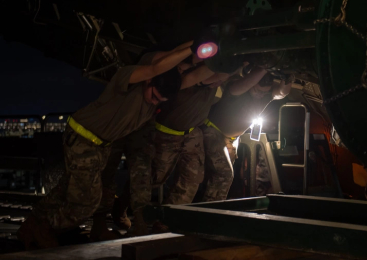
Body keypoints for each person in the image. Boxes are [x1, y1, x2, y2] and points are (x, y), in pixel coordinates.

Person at [17, 41, 201, 249]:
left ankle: (31, 226)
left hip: (98, 145)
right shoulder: (128, 79)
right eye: (154, 96)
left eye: (160, 100)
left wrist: (211, 56)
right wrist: (193, 46)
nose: (154, 102)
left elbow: (193, 77)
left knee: (65, 189)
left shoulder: (157, 93)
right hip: (83, 137)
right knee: (86, 201)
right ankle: (46, 228)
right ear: (148, 80)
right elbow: (157, 66)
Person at [93, 58, 218, 238]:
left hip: (141, 131)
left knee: (143, 178)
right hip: (114, 130)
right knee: (108, 175)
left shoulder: (161, 86)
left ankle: (141, 225)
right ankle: (101, 223)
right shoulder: (134, 76)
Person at [201, 67, 293, 202]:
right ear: (252, 83)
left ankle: (213, 206)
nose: (260, 95)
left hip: (231, 140)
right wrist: (264, 68)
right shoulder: (236, 89)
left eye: (264, 92)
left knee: (220, 176)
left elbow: (281, 93)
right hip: (214, 133)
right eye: (258, 90)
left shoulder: (264, 95)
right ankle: (210, 209)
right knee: (224, 174)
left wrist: (288, 77)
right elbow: (243, 84)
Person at [149, 65, 230, 208]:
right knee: (154, 177)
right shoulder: (186, 79)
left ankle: (168, 221)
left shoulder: (213, 82)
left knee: (190, 181)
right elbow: (214, 75)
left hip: (192, 133)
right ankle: (125, 206)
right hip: (167, 134)